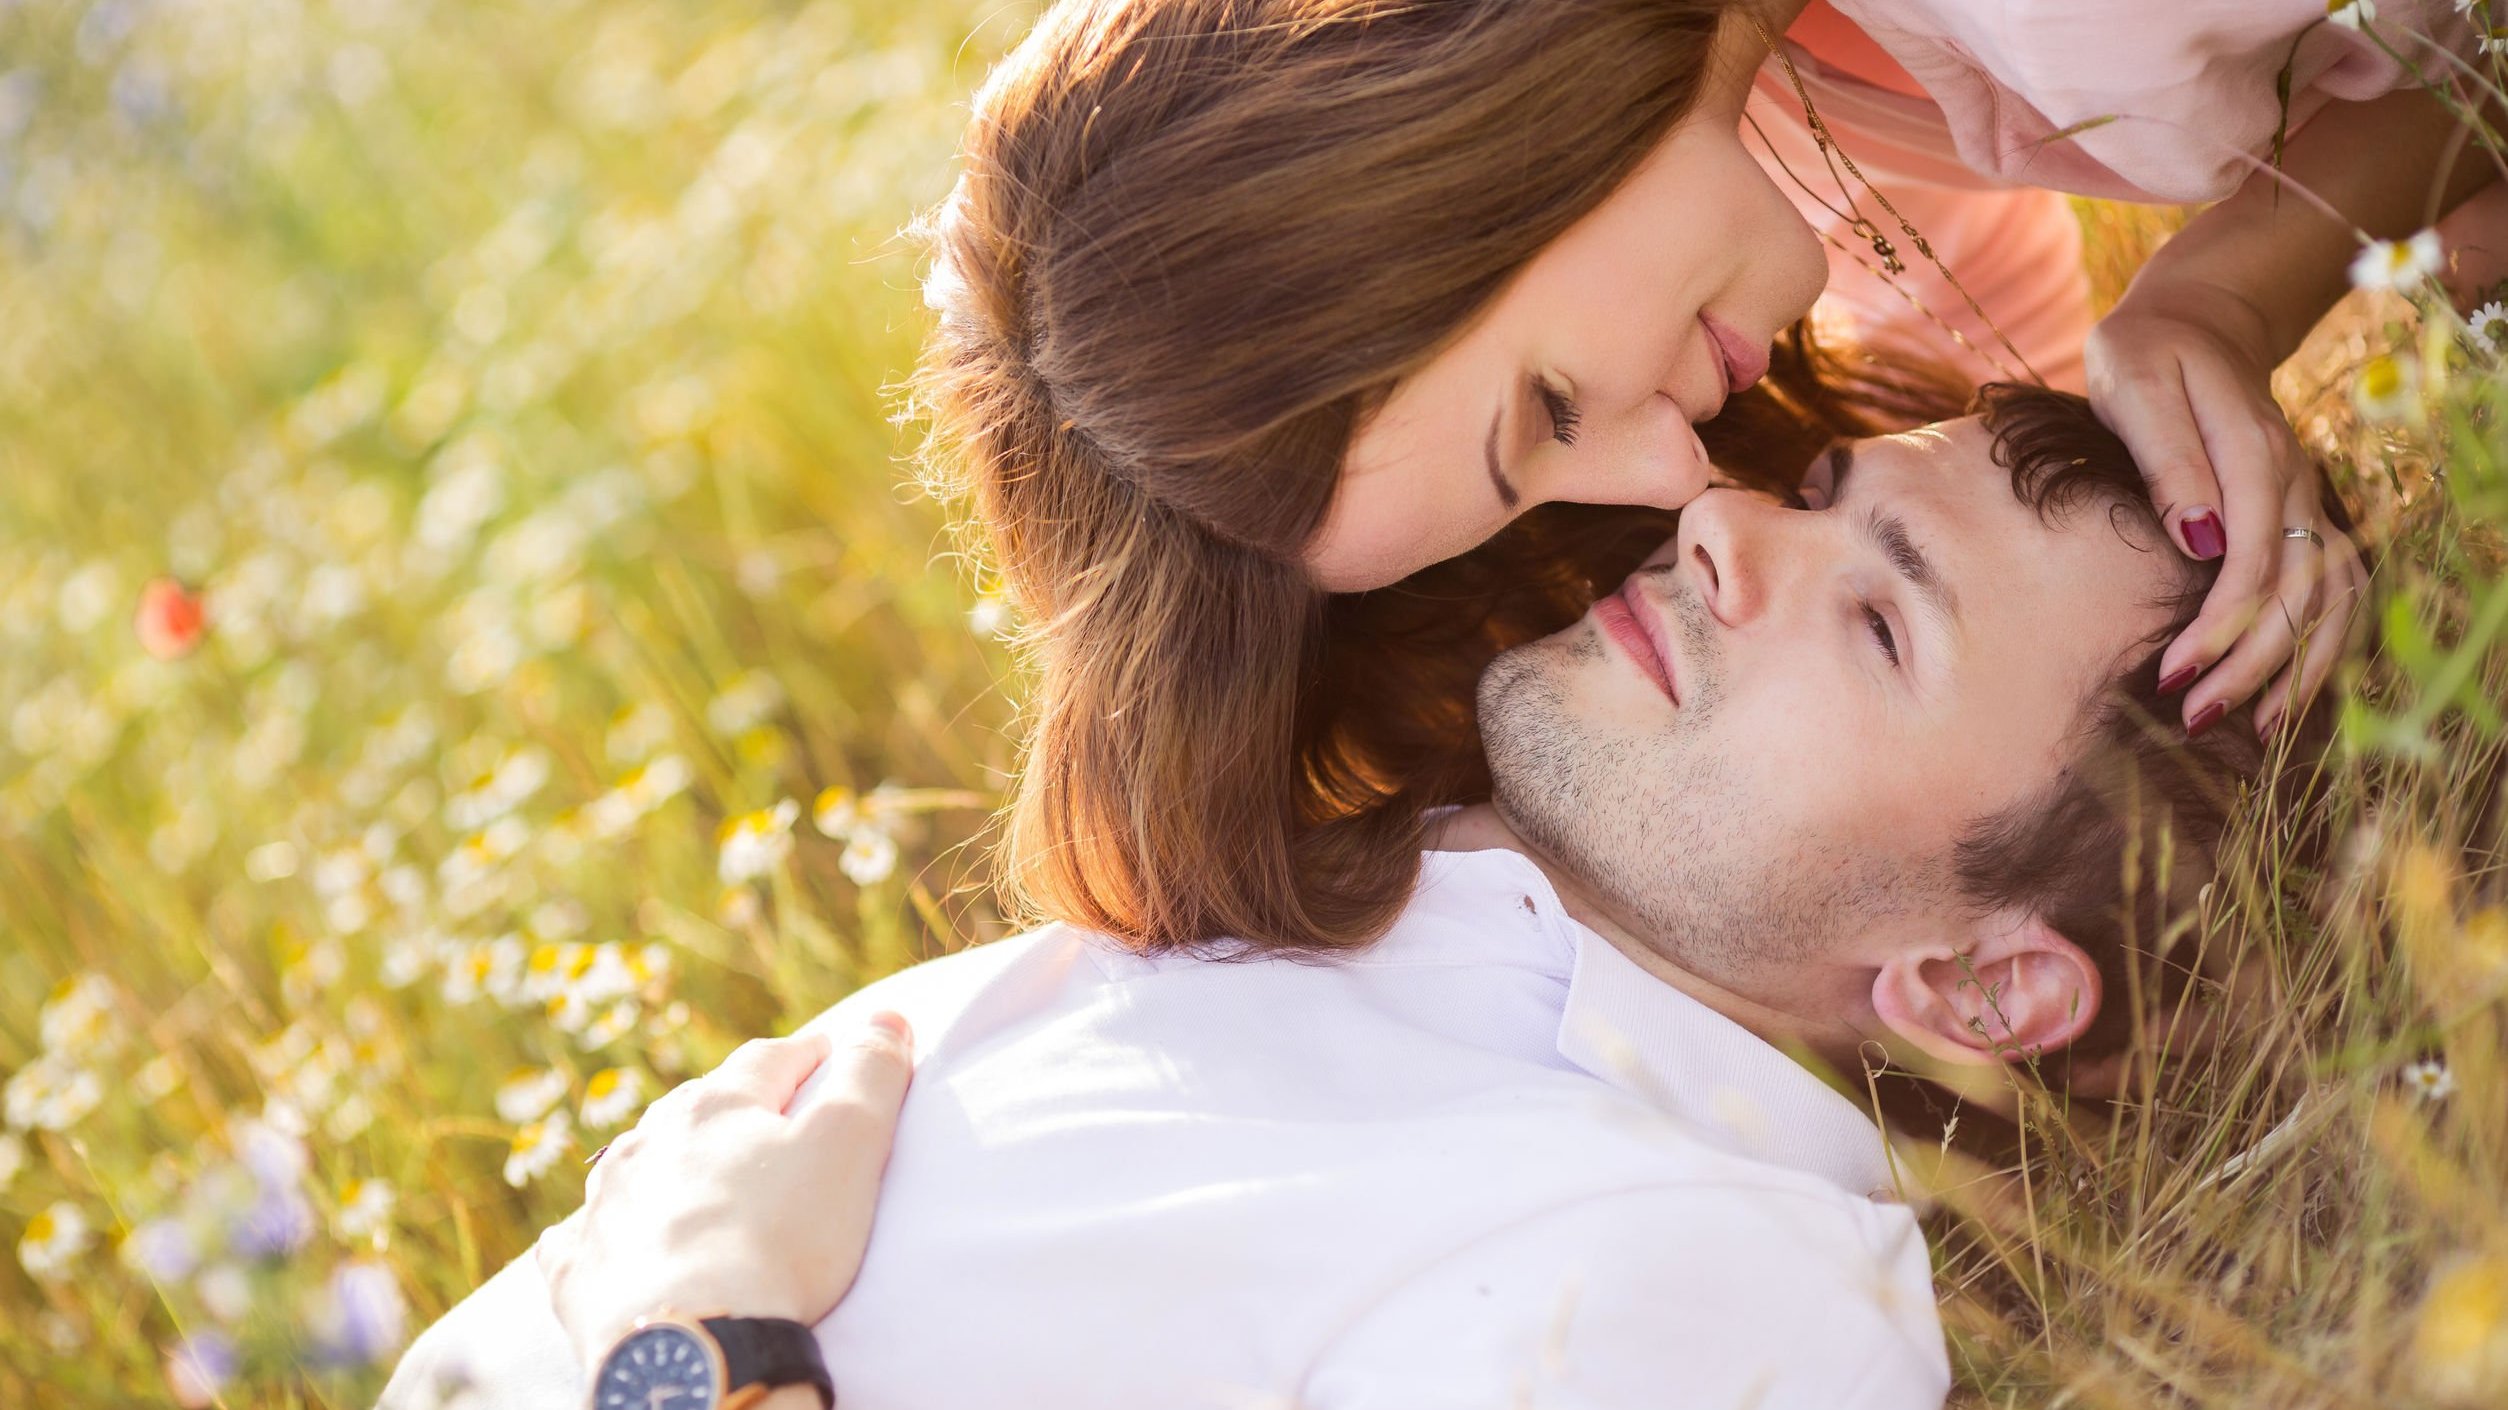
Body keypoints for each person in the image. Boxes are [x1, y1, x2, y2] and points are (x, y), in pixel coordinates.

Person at [383, 385, 2299, 1409]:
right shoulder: (1394, 915)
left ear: (1978, 988)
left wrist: (694, 1330)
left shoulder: (1704, 1289)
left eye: (1882, 618)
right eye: (1809, 488)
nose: (1725, 527)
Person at [921, 0, 2395, 978]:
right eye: (1528, 492)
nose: (1681, 480)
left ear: (1470, 144)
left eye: (1551, 408)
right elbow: (1969, 338)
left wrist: (2239, 284)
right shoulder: (1756, 112)